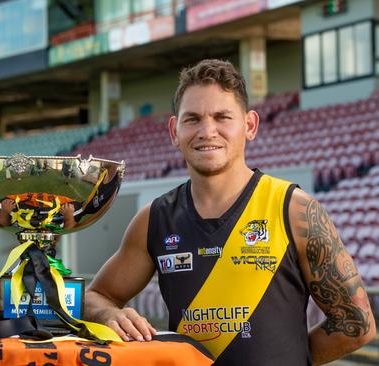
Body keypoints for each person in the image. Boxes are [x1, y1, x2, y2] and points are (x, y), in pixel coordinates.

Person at [85, 59, 376, 365]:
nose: (207, 131)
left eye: (222, 117)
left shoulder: (294, 210)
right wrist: (109, 314)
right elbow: (95, 296)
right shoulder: (153, 220)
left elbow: (356, 324)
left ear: (249, 125)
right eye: (193, 119)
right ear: (174, 130)